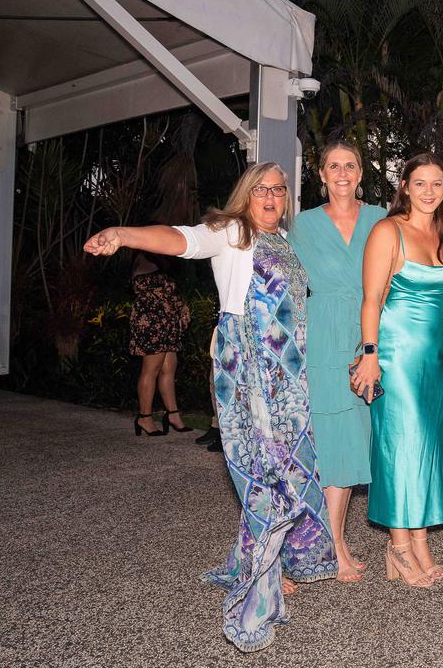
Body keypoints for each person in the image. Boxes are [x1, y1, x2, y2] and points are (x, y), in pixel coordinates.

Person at [83, 162, 337, 653]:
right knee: (266, 472)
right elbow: (183, 240)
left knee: (289, 466)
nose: (270, 198)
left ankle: (265, 559)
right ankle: (258, 590)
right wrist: (123, 233)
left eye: (278, 191)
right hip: (249, 373)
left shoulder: (286, 242)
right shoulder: (232, 230)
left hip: (288, 377)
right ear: (245, 193)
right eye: (261, 189)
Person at [352, 153, 443, 588]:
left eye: (437, 183)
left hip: (433, 357)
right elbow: (372, 298)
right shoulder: (387, 230)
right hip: (394, 354)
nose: (429, 191)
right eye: (420, 183)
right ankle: (398, 546)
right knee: (399, 447)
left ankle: (420, 540)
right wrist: (371, 354)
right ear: (405, 187)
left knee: (427, 447)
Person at [286, 140, 387, 583]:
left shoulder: (381, 219)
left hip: (372, 335)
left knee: (356, 435)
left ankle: (332, 538)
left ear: (360, 173)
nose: (342, 173)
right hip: (322, 334)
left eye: (350, 165)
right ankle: (335, 543)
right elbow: (283, 283)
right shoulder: (303, 226)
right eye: (333, 166)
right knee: (333, 436)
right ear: (321, 176)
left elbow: (398, 278)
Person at [128, 251, 192, 436]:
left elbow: (170, 295)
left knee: (168, 368)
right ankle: (144, 417)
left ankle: (173, 414)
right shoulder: (143, 259)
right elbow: (156, 293)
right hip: (152, 322)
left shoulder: (161, 260)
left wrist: (181, 310)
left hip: (167, 322)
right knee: (151, 369)